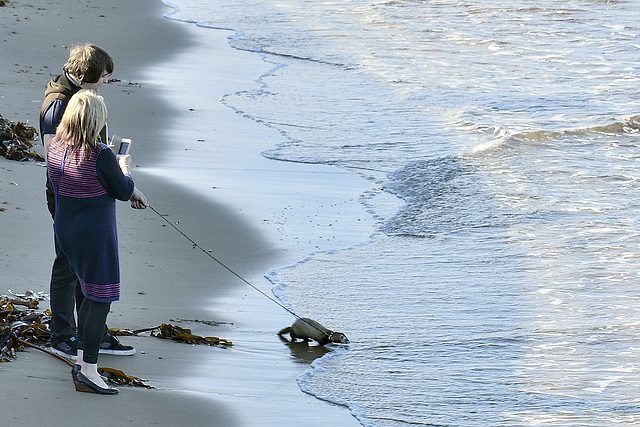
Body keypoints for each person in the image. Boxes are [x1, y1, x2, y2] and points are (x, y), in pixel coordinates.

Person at [47, 90, 147, 394]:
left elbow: (57, 185)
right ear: (95, 120)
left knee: (86, 291)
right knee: (99, 298)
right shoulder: (101, 154)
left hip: (65, 229)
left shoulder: (55, 147)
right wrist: (124, 165)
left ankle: (82, 361)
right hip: (94, 234)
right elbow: (121, 188)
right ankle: (88, 370)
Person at [40, 44, 136, 358]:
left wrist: (103, 160)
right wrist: (107, 164)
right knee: (68, 267)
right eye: (104, 76)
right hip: (68, 198)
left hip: (88, 192)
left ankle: (92, 333)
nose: (106, 81)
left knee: (85, 269)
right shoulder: (58, 105)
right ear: (88, 76)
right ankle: (63, 335)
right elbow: (57, 158)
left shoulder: (80, 97)